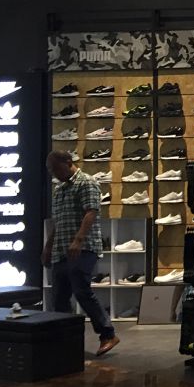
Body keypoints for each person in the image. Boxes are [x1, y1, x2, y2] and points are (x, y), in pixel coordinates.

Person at [43, 150, 119, 356]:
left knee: (81, 290)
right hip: (61, 249)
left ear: (68, 162)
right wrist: (48, 246)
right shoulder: (59, 189)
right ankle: (65, 340)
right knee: (59, 297)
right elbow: (58, 221)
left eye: (55, 168)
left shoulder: (87, 182)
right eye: (50, 170)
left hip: (83, 248)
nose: (53, 173)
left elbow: (91, 212)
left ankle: (108, 334)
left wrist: (78, 240)